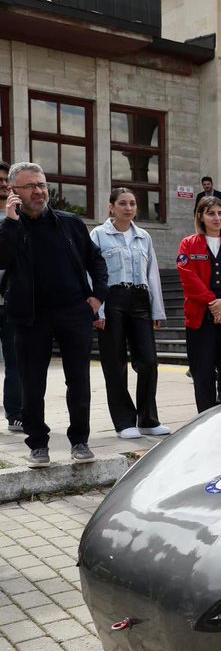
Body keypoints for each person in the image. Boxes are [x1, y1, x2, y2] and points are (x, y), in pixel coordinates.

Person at [0, 162, 108, 466]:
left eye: (42, 185)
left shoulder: (69, 222)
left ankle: (80, 441)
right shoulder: (8, 226)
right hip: (30, 316)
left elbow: (96, 261)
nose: (39, 191)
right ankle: (38, 444)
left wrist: (97, 296)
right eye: (30, 186)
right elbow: (1, 258)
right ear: (13, 192)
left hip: (74, 312)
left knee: (79, 379)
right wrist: (9, 222)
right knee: (32, 382)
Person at [91, 188, 170, 438]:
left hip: (139, 301)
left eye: (133, 203)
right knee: (115, 363)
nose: (129, 208)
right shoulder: (99, 235)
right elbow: (91, 274)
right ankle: (124, 421)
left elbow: (152, 274)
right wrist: (97, 310)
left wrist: (157, 309)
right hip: (112, 299)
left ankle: (148, 419)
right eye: (123, 203)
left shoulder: (143, 236)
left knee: (148, 361)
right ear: (111, 207)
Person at [177, 195, 221, 412]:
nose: (216, 218)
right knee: (203, 370)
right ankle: (205, 415)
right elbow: (187, 277)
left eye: (220, 213)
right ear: (201, 216)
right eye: (211, 213)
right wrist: (213, 302)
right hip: (200, 316)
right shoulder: (188, 244)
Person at [0, 162, 20, 434]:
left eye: (6, 180)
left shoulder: (19, 216)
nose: (3, 184)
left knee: (16, 362)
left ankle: (16, 413)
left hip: (12, 301)